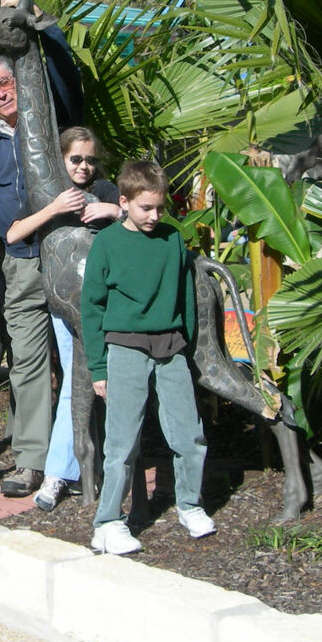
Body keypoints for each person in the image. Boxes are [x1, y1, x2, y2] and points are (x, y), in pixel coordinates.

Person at [0, 0, 83, 498]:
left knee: (81, 358)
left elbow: (66, 70)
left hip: (71, 255)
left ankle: (86, 453)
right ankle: (30, 461)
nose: (3, 93)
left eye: (6, 81)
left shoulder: (51, 115)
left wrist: (35, 14)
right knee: (26, 360)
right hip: (23, 262)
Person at [81, 160, 215, 554]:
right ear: (124, 202)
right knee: (122, 442)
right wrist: (99, 367)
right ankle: (106, 523)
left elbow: (184, 296)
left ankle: (190, 504)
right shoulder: (106, 243)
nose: (154, 216)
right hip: (124, 348)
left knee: (190, 435)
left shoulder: (173, 239)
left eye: (159, 208)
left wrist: (185, 344)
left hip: (170, 347)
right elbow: (92, 308)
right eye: (145, 208)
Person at [6, 126, 121, 511]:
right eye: (76, 159)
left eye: (90, 159)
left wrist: (114, 211)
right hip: (62, 304)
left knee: (89, 383)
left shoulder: (104, 190)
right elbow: (12, 233)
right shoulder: (48, 192)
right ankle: (61, 472)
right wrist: (54, 208)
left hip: (103, 302)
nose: (84, 166)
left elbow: (144, 216)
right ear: (61, 159)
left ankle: (73, 471)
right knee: (75, 381)